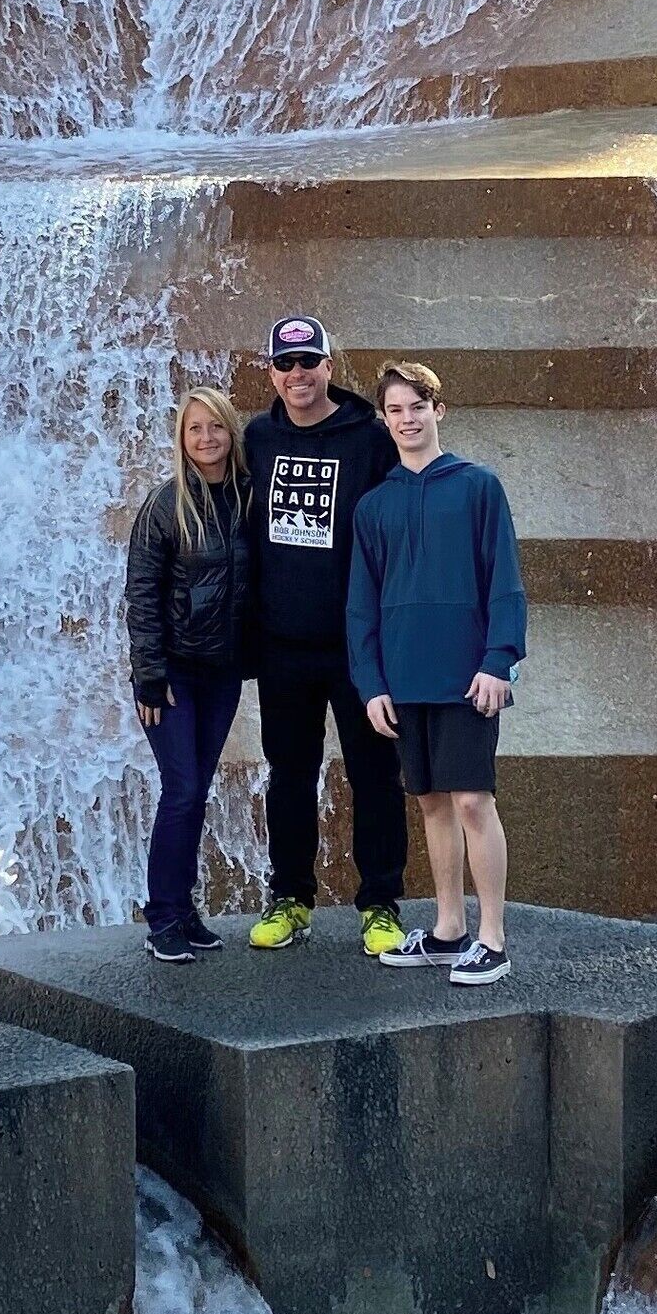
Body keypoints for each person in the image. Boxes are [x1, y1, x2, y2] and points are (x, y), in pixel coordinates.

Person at [346, 359, 525, 985]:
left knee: (474, 801)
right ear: (385, 420)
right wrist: (370, 684)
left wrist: (499, 660)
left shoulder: (479, 488)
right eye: (394, 411)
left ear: (438, 410)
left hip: (468, 677)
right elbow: (361, 603)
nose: (407, 419)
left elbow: (504, 581)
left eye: (417, 407)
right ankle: (449, 930)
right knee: (430, 805)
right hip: (403, 679)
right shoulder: (373, 507)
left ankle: (493, 939)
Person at [241, 314, 410, 955]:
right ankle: (290, 899)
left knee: (374, 774)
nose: (297, 375)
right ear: (272, 373)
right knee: (289, 775)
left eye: (308, 362)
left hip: (356, 646)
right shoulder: (257, 437)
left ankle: (381, 905)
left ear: (329, 367)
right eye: (285, 365)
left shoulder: (369, 439)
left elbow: (400, 521)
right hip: (283, 645)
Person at [125, 385, 252, 961]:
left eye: (216, 427)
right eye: (195, 429)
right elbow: (142, 593)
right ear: (182, 438)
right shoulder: (165, 503)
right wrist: (149, 675)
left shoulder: (250, 500)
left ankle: (185, 908)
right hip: (171, 676)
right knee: (181, 790)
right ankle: (163, 917)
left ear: (231, 433)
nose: (206, 438)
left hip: (221, 673)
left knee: (197, 790)